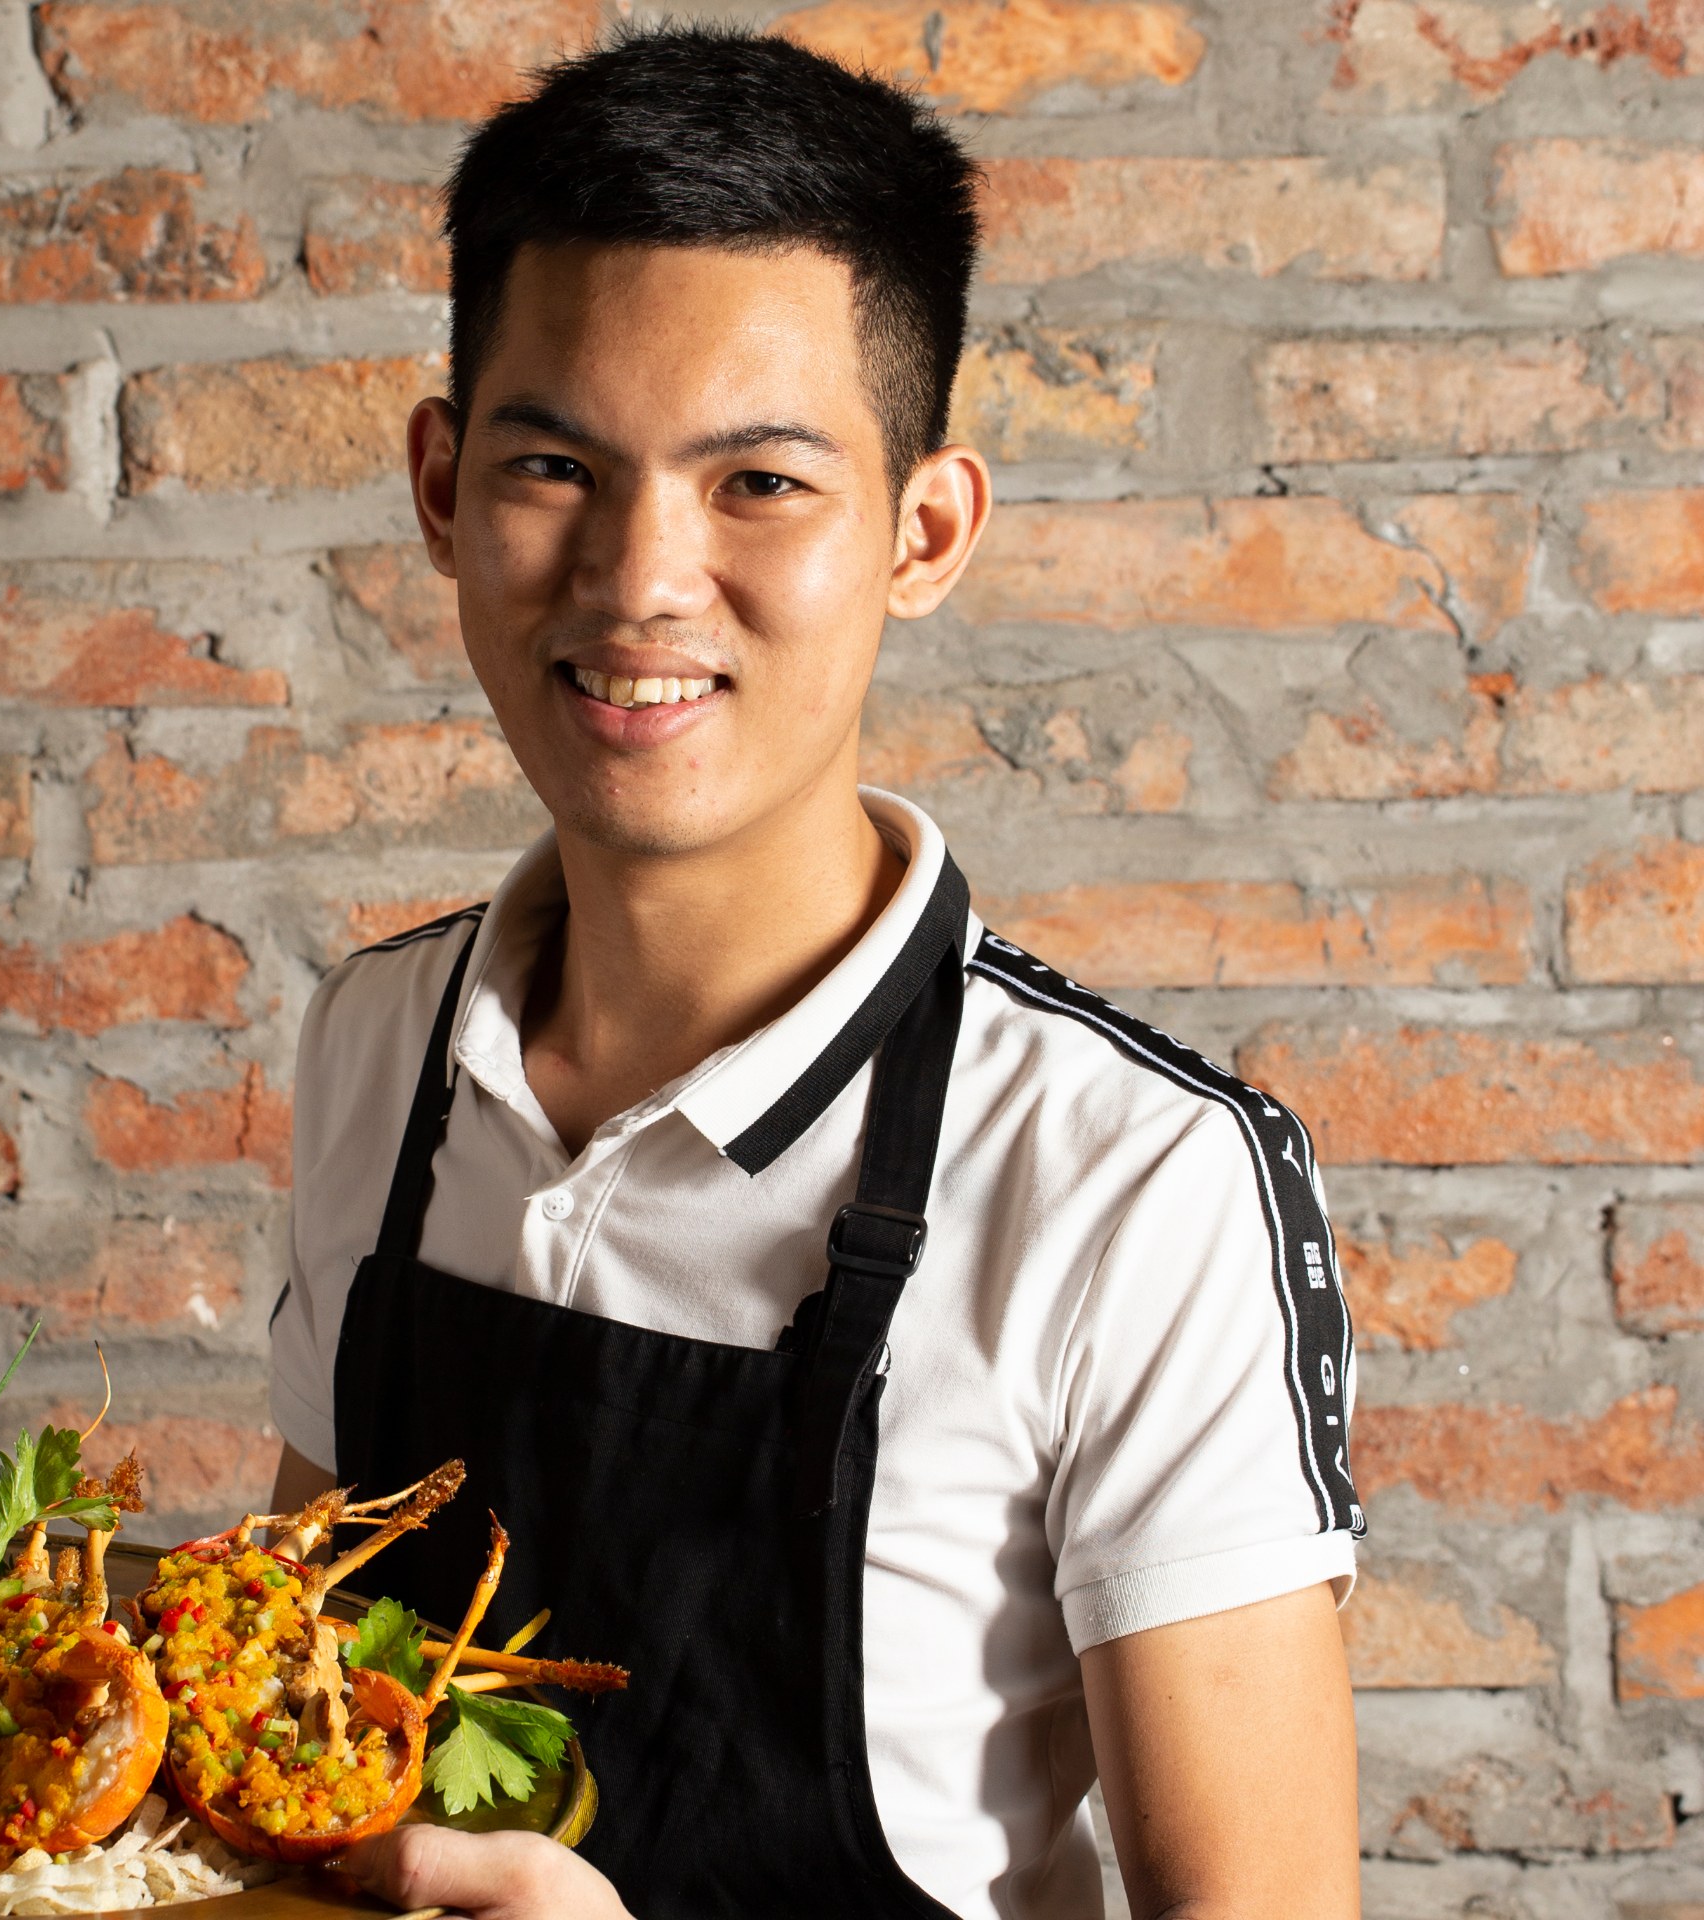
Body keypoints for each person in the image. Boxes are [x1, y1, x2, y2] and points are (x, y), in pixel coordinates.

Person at [264, 24, 1363, 1920]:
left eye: (759, 483)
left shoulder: (1137, 1183)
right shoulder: (380, 1043)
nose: (640, 580)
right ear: (442, 486)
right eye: (555, 465)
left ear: (923, 533)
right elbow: (285, 1749)